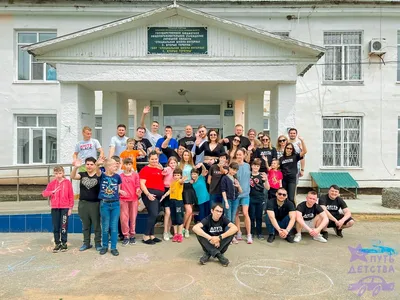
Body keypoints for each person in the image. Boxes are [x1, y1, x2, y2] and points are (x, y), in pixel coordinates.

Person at [70, 157, 102, 251]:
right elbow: (73, 177)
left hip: (95, 204)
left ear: (95, 165)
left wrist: (98, 165)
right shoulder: (82, 174)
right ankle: (86, 243)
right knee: (85, 225)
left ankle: (98, 244)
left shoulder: (98, 174)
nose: (89, 166)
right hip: (83, 204)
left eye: (91, 164)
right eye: (87, 164)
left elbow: (99, 173)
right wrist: (76, 167)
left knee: (96, 225)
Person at [96, 157, 125, 256]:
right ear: (108, 166)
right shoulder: (102, 175)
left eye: (116, 165)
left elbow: (118, 189)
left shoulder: (118, 177)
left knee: (113, 227)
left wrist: (121, 191)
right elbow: (97, 171)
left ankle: (113, 247)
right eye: (114, 165)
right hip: (105, 204)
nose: (116, 166)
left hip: (115, 204)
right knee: (105, 226)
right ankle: (104, 246)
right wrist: (97, 164)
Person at [42, 166, 74, 253]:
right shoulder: (52, 184)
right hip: (55, 208)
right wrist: (51, 192)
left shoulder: (67, 183)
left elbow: (71, 196)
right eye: (56, 173)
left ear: (63, 173)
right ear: (54, 174)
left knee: (63, 226)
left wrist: (70, 208)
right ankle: (57, 243)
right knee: (56, 227)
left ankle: (64, 243)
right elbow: (44, 193)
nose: (58, 175)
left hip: (65, 208)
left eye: (60, 173)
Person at [139, 151, 164, 245]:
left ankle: (152, 235)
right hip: (149, 195)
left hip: (159, 196)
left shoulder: (159, 169)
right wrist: (148, 194)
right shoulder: (145, 169)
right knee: (153, 214)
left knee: (154, 214)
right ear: (148, 159)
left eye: (156, 159)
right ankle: (145, 236)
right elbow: (142, 184)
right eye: (152, 159)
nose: (154, 161)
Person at [120, 158, 141, 246]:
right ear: (123, 165)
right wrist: (120, 191)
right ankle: (126, 236)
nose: (128, 166)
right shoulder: (120, 176)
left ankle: (132, 235)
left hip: (133, 199)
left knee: (133, 218)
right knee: (124, 219)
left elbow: (137, 185)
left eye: (130, 164)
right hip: (123, 200)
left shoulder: (135, 175)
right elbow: (118, 188)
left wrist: (138, 190)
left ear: (132, 165)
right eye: (126, 164)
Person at [279, 138, 307, 205]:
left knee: (291, 197)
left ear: (292, 150)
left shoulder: (295, 156)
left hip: (292, 179)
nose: (289, 150)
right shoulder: (281, 158)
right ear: (285, 149)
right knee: (284, 196)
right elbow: (278, 169)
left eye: (290, 149)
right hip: (284, 179)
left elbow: (305, 151)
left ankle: (293, 211)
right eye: (287, 148)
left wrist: (302, 141)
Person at [161, 169, 185, 243]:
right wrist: (164, 196)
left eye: (178, 175)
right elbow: (169, 191)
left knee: (179, 218)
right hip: (172, 201)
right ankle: (175, 234)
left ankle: (180, 234)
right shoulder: (172, 182)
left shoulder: (179, 182)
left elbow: (181, 182)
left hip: (178, 202)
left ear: (180, 175)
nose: (176, 176)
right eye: (175, 175)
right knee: (173, 218)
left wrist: (182, 180)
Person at [234, 149, 252, 244]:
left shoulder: (248, 165)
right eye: (237, 154)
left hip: (245, 194)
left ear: (244, 155)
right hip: (236, 194)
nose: (239, 156)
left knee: (245, 213)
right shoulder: (234, 166)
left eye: (240, 154)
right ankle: (238, 232)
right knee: (236, 214)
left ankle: (249, 234)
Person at [180, 150, 199, 238]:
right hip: (182, 187)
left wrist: (194, 179)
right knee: (188, 210)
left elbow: (196, 176)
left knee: (190, 211)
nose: (186, 156)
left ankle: (186, 229)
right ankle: (181, 227)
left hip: (190, 188)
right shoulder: (179, 165)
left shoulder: (192, 166)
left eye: (188, 155)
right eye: (185, 155)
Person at [249, 159, 269, 240]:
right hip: (250, 198)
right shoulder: (248, 175)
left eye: (257, 166)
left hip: (260, 198)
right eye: (254, 165)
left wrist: (266, 179)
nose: (255, 167)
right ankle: (252, 232)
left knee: (259, 217)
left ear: (259, 167)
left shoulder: (262, 176)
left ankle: (259, 233)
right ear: (251, 166)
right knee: (252, 216)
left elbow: (268, 187)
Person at [161, 156, 179, 241]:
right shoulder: (168, 169)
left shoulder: (177, 171)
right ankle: (165, 231)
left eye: (174, 163)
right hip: (166, 190)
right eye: (171, 163)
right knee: (167, 212)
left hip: (174, 191)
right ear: (169, 163)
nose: (173, 164)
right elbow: (164, 172)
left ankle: (168, 231)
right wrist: (166, 169)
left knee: (171, 212)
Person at [221, 162, 242, 228]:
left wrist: (238, 186)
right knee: (228, 218)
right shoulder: (225, 178)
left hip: (235, 199)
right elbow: (223, 191)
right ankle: (227, 235)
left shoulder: (235, 178)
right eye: (233, 169)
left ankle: (231, 235)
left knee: (232, 219)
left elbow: (241, 191)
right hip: (228, 200)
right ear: (229, 168)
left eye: (236, 170)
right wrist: (226, 201)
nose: (234, 172)